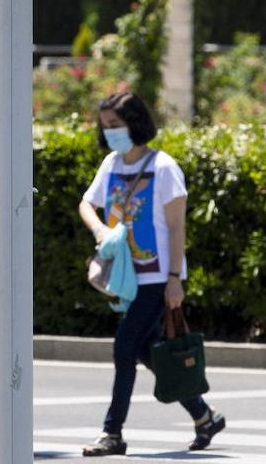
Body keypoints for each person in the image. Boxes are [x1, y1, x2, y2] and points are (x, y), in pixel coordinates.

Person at [76, 91, 225, 456]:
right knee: (145, 349)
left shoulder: (164, 168)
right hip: (125, 277)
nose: (110, 132)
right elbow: (87, 203)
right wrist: (99, 230)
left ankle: (112, 433)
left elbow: (176, 229)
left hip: (157, 276)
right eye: (106, 126)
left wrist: (174, 278)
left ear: (135, 123)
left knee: (124, 347)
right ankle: (204, 416)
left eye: (116, 125)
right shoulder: (111, 164)